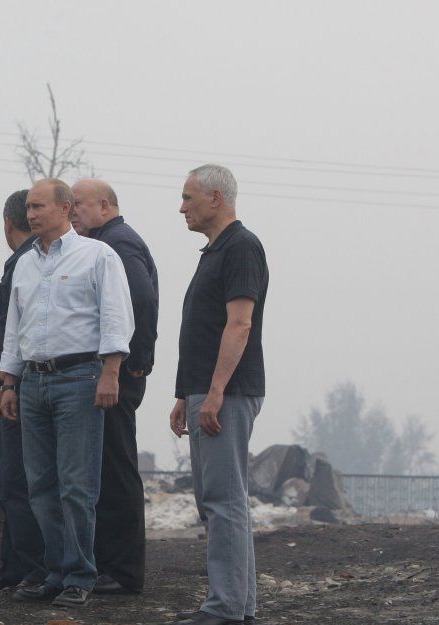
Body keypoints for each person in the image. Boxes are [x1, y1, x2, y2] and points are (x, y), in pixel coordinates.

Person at [0, 178, 135, 608]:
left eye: (39, 206)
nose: (31, 214)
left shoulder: (97, 256)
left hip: (79, 378)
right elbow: (14, 330)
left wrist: (110, 372)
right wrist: (7, 381)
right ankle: (55, 571)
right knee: (40, 484)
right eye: (28, 208)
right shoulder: (25, 264)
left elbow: (116, 315)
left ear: (65, 208)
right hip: (35, 380)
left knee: (76, 485)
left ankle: (80, 574)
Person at [169, 164, 268, 625]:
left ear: (216, 197)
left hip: (225, 393)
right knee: (221, 500)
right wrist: (183, 394)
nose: (182, 206)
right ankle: (237, 605)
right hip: (205, 392)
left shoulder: (241, 247)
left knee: (223, 501)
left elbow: (239, 323)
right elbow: (201, 327)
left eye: (189, 197)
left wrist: (214, 393)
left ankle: (226, 607)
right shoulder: (214, 251)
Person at [71, 179, 158, 595]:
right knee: (105, 468)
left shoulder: (118, 244)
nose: (72, 213)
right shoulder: (107, 242)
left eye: (78, 206)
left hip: (117, 374)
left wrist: (131, 364)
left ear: (104, 206)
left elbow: (138, 300)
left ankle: (122, 571)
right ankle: (110, 565)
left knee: (116, 469)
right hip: (116, 371)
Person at [0, 189, 47, 591]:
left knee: (20, 482)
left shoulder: (26, 265)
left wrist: (3, 382)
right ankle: (15, 565)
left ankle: (31, 567)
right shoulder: (23, 264)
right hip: (15, 383)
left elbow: (15, 335)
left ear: (7, 223)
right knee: (14, 482)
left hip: (17, 387)